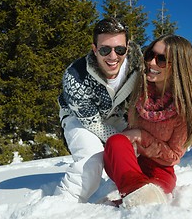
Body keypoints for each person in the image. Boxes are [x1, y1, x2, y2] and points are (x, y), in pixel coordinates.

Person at [103, 34, 192, 208]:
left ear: (179, 67)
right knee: (116, 141)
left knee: (153, 191)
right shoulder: (139, 91)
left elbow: (173, 156)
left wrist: (142, 136)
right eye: (150, 55)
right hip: (127, 163)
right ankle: (137, 192)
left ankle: (137, 195)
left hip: (160, 171)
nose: (151, 62)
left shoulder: (182, 110)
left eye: (162, 59)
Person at [53, 17, 142, 202]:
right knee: (92, 160)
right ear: (95, 49)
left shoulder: (137, 63)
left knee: (139, 153)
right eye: (104, 49)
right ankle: (62, 204)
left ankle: (136, 190)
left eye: (119, 49)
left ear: (127, 47)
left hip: (115, 114)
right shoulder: (75, 76)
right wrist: (122, 141)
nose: (112, 56)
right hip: (79, 117)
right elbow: (93, 124)